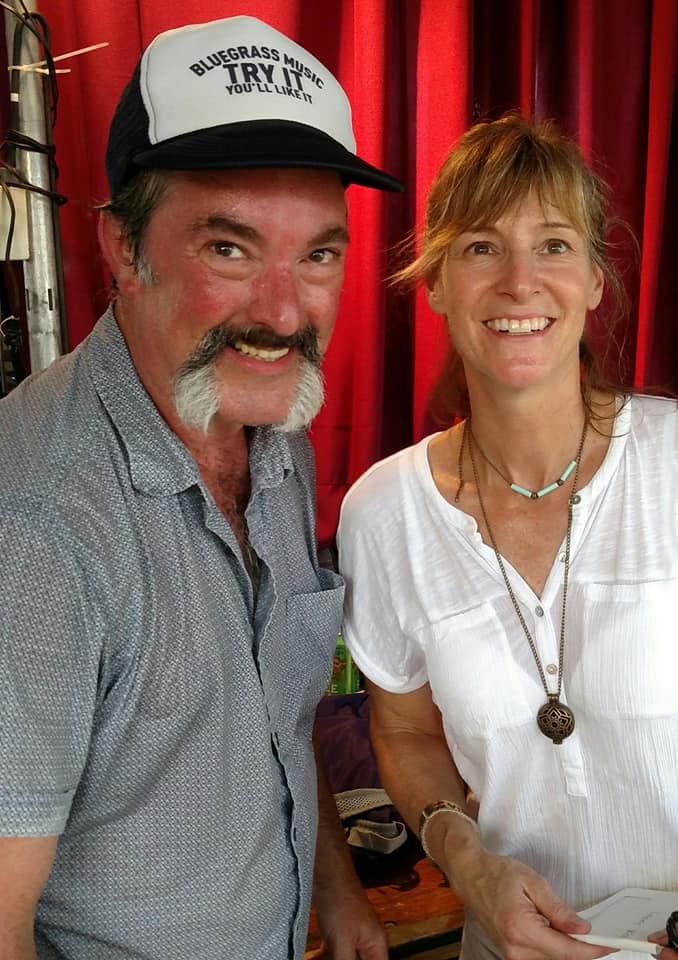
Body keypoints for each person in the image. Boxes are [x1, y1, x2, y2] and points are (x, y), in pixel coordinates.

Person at [0, 15, 402, 960]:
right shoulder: (38, 528)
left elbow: (280, 708)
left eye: (318, 255)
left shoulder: (272, 432)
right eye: (228, 248)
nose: (282, 310)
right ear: (122, 250)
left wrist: (336, 890)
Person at [338, 114, 678, 960]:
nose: (521, 282)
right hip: (510, 946)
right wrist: (465, 860)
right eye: (482, 247)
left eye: (555, 245)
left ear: (597, 279)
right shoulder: (383, 511)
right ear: (437, 283)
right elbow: (407, 732)